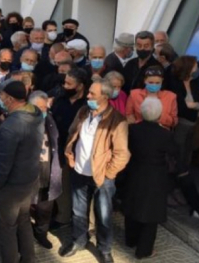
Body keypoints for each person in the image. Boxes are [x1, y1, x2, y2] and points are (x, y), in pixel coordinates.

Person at [59, 79, 130, 263]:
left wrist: (109, 174)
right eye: (89, 92)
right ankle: (79, 241)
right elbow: (71, 132)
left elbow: (122, 153)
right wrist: (71, 156)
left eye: (92, 94)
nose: (88, 96)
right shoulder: (83, 112)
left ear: (105, 97)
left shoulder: (117, 120)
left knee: (104, 216)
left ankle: (104, 249)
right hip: (79, 171)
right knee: (78, 211)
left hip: (102, 177)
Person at [0, 81, 44, 263]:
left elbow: (3, 163)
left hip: (10, 189)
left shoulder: (9, 127)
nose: (0, 98)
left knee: (7, 230)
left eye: (2, 95)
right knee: (24, 222)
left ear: (10, 99)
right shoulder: (36, 114)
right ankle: (29, 258)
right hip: (29, 182)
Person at [125, 98, 178, 259]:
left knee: (132, 207)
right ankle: (144, 250)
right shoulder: (164, 134)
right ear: (160, 114)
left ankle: (130, 240)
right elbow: (174, 152)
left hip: (134, 172)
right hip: (155, 176)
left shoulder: (133, 130)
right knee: (150, 214)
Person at [166, 55, 199, 220]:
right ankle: (197, 207)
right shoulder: (174, 84)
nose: (196, 69)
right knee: (180, 165)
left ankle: (191, 202)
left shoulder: (195, 84)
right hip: (179, 127)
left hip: (192, 127)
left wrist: (198, 105)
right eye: (193, 66)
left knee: (185, 163)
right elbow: (177, 106)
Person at [49, 68, 89, 229]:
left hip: (80, 151)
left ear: (80, 86)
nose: (65, 86)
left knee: (81, 189)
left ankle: (84, 222)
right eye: (65, 82)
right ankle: (63, 216)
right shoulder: (60, 99)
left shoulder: (87, 105)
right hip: (59, 148)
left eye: (69, 83)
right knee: (61, 183)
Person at [28, 91, 61, 250]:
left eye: (44, 107)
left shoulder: (50, 120)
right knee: (25, 207)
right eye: (39, 107)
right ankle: (25, 237)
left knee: (45, 207)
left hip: (47, 169)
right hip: (28, 172)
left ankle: (41, 234)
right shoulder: (21, 122)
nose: (43, 111)